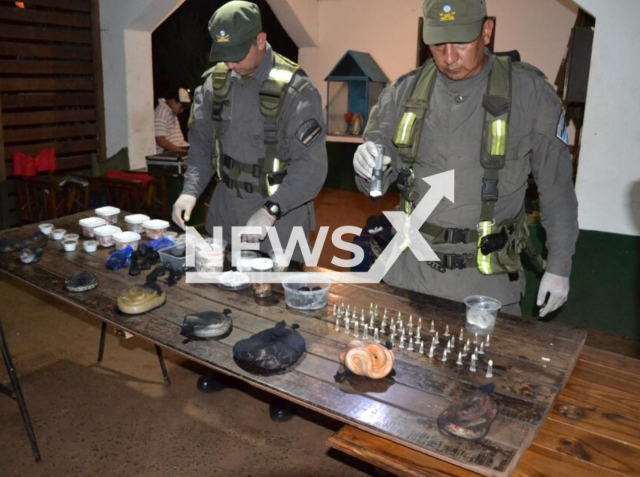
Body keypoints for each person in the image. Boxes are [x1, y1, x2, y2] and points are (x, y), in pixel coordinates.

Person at [353, 0, 578, 316]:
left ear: (486, 32)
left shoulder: (530, 93)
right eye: (438, 42)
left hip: (489, 285)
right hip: (410, 276)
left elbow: (557, 190)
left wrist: (559, 267)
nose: (448, 57)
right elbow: (373, 184)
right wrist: (366, 165)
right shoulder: (402, 93)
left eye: (460, 42)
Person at [172, 1, 327, 263]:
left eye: (237, 54)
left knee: (275, 300)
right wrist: (190, 189)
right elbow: (202, 146)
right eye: (224, 55)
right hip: (226, 215)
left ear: (260, 40)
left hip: (280, 223)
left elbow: (312, 166)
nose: (230, 64)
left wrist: (271, 210)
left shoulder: (295, 91)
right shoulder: (214, 85)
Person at [154, 86, 191, 154]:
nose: (182, 110)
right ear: (172, 101)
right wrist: (181, 151)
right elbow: (160, 140)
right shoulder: (162, 112)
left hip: (179, 147)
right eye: (181, 107)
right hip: (169, 151)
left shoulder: (171, 111)